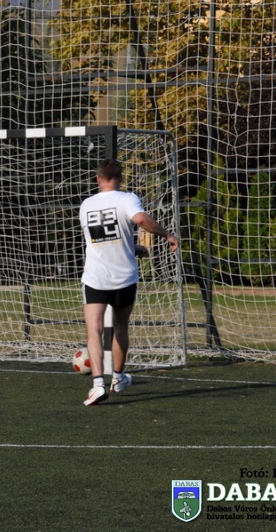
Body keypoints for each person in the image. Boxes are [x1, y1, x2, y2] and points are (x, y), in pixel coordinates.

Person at [79, 158, 179, 406]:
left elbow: (101, 239)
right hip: (124, 278)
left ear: (98, 179)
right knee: (121, 327)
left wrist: (132, 247)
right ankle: (118, 378)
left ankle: (98, 385)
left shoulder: (86, 205)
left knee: (94, 330)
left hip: (96, 278)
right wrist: (166, 234)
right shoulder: (126, 199)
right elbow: (140, 219)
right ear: (120, 178)